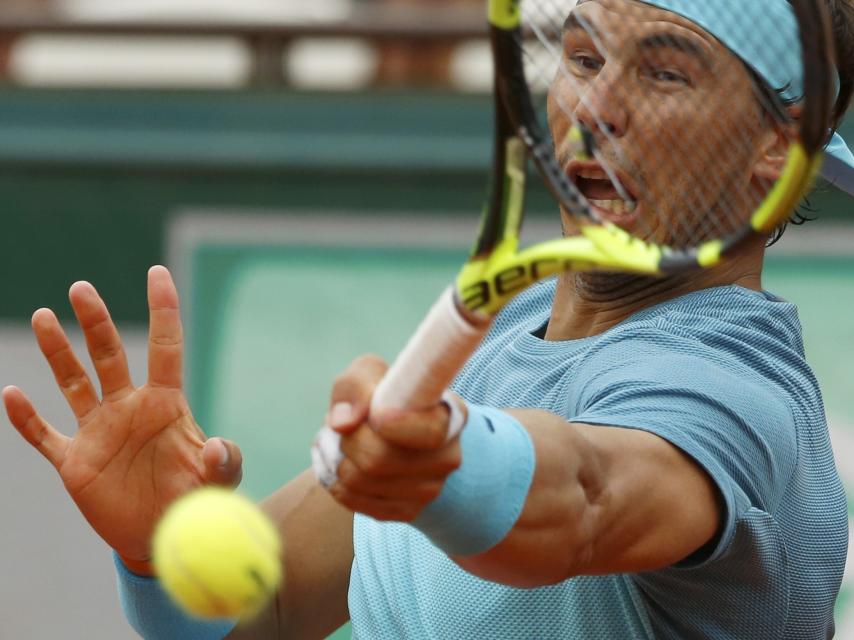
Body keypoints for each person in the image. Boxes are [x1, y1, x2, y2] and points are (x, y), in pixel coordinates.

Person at [4, 0, 854, 638]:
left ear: (776, 148)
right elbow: (262, 608)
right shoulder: (512, 337)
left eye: (665, 74)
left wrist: (448, 462)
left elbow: (588, 496)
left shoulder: (739, 392)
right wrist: (158, 557)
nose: (597, 108)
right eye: (586, 57)